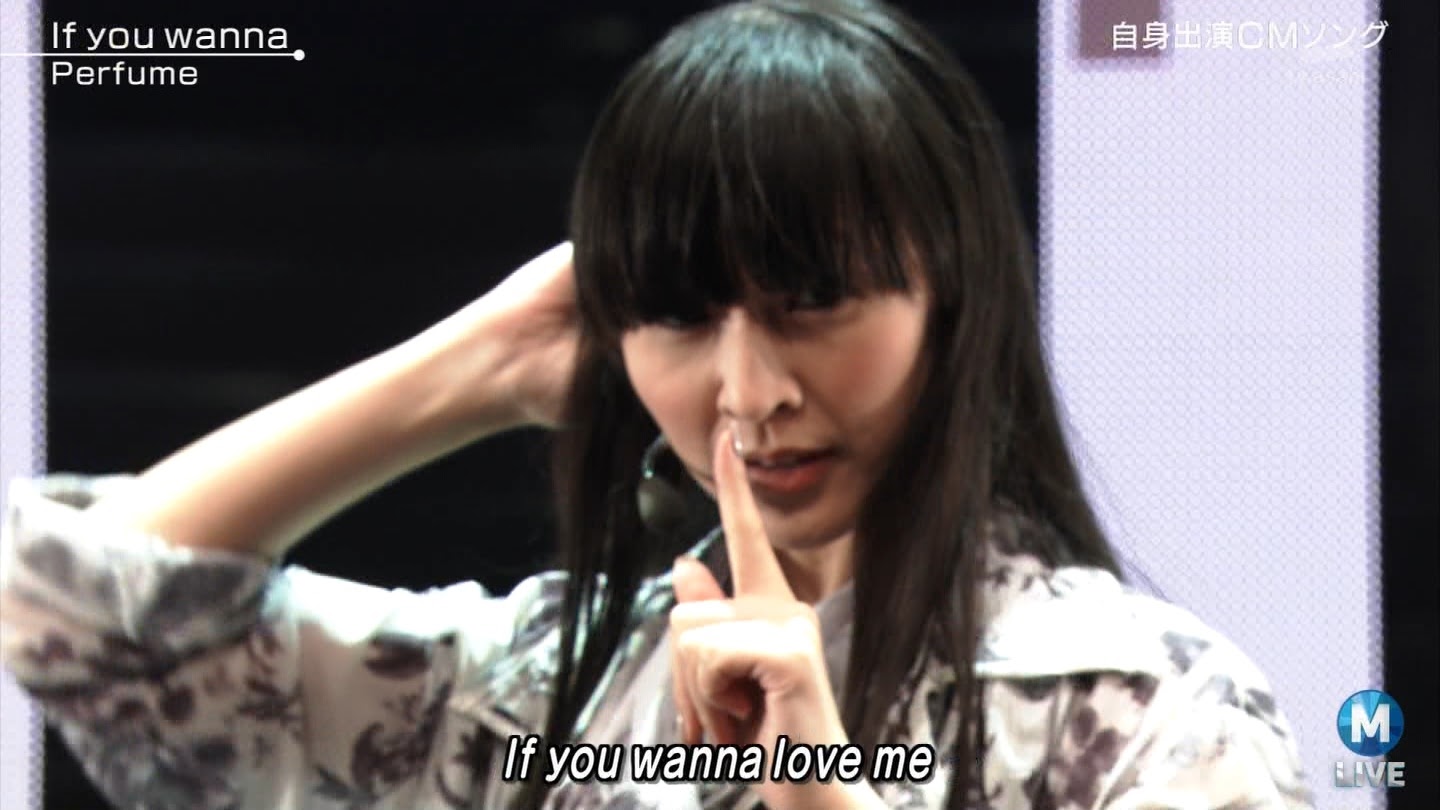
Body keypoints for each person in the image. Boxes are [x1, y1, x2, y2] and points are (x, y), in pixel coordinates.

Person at [0, 1, 1313, 808]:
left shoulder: (1148, 714)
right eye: (680, 316)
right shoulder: (551, 698)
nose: (750, 394)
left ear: (950, 300)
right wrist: (476, 366)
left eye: (814, 300)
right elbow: (67, 612)